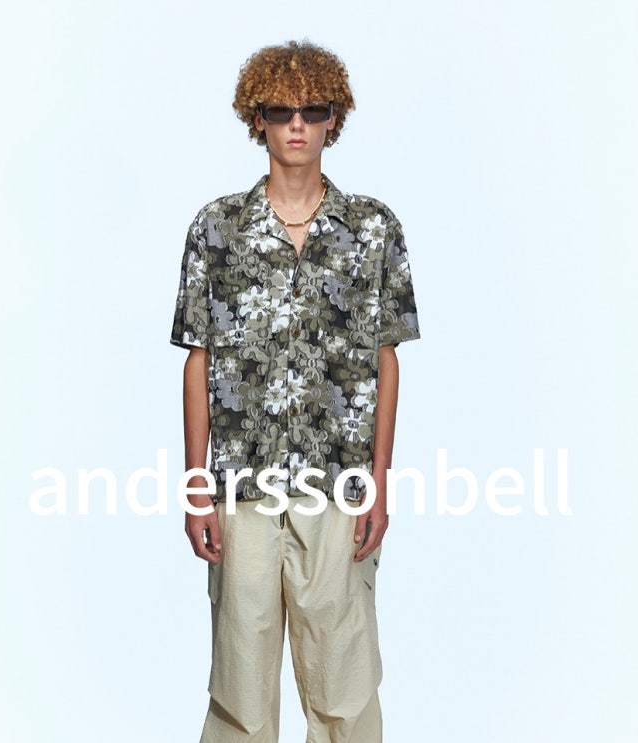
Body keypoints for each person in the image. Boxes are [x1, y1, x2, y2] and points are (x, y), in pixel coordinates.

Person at [170, 40, 419, 743]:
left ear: (335, 117)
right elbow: (198, 361)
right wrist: (196, 487)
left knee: (343, 686)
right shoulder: (216, 228)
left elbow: (386, 361)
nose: (298, 125)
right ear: (258, 119)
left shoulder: (373, 228)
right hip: (242, 484)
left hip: (338, 484)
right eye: (281, 111)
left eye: (314, 110)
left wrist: (379, 482)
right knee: (240, 689)